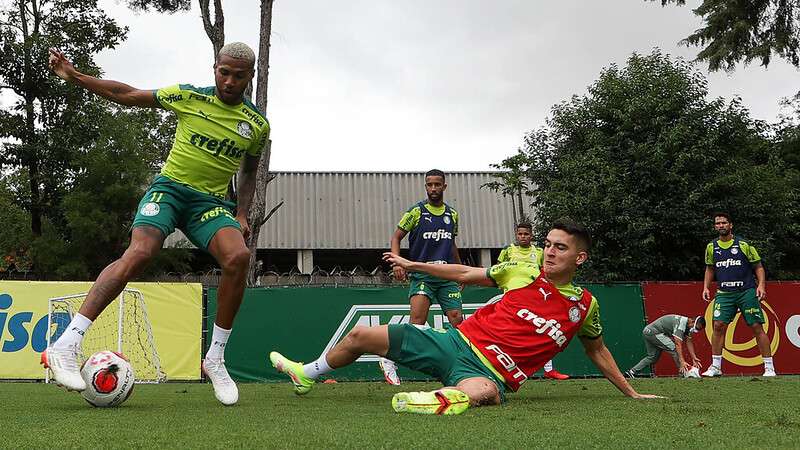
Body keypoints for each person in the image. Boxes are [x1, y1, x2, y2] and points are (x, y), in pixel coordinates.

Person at [42, 43, 270, 405]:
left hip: (208, 205)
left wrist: (241, 214)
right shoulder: (189, 97)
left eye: (238, 75)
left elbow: (249, 171)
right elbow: (128, 94)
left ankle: (215, 358)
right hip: (170, 191)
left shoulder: (256, 125)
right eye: (223, 72)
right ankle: (67, 345)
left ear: (250, 76)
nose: (229, 80)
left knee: (238, 257)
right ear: (215, 68)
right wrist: (75, 76)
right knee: (141, 252)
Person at [270, 220, 663, 415]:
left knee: (486, 394)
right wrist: (412, 262)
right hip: (453, 342)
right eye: (547, 245)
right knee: (360, 336)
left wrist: (631, 391)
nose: (550, 252)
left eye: (561, 248)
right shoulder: (517, 271)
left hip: (490, 373)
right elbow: (461, 273)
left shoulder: (585, 306)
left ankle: (432, 402)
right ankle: (308, 373)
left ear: (579, 258)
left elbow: (598, 352)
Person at [378, 169, 462, 386]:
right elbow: (396, 236)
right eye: (429, 185)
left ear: (444, 186)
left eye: (437, 184)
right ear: (426, 186)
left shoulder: (452, 214)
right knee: (417, 324)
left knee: (457, 321)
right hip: (422, 274)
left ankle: (463, 369)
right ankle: (389, 360)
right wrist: (397, 262)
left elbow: (451, 244)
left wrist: (461, 270)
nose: (433, 188)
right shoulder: (416, 212)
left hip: (446, 275)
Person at [701, 212, 775, 377]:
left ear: (730, 225)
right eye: (718, 223)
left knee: (756, 326)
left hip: (746, 291)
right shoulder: (712, 247)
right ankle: (716, 367)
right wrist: (706, 287)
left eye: (724, 223)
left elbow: (758, 266)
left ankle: (769, 368)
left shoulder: (743, 244)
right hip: (724, 293)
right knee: (718, 326)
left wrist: (761, 285)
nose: (721, 226)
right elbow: (710, 268)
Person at [498, 222, 569, 381]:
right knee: (509, 334)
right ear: (516, 235)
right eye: (520, 234)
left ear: (531, 235)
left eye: (526, 234)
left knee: (543, 331)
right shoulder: (508, 251)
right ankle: (503, 370)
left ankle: (549, 370)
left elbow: (546, 272)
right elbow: (499, 271)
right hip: (512, 300)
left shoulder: (538, 252)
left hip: (534, 298)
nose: (523, 237)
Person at [625, 314, 705, 378]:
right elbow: (678, 344)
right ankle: (684, 374)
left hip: (648, 331)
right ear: (692, 321)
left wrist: (694, 357)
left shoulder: (688, 325)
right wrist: (682, 361)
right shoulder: (681, 324)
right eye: (696, 328)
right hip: (654, 333)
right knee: (674, 349)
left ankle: (631, 372)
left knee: (652, 357)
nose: (696, 330)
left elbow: (689, 341)